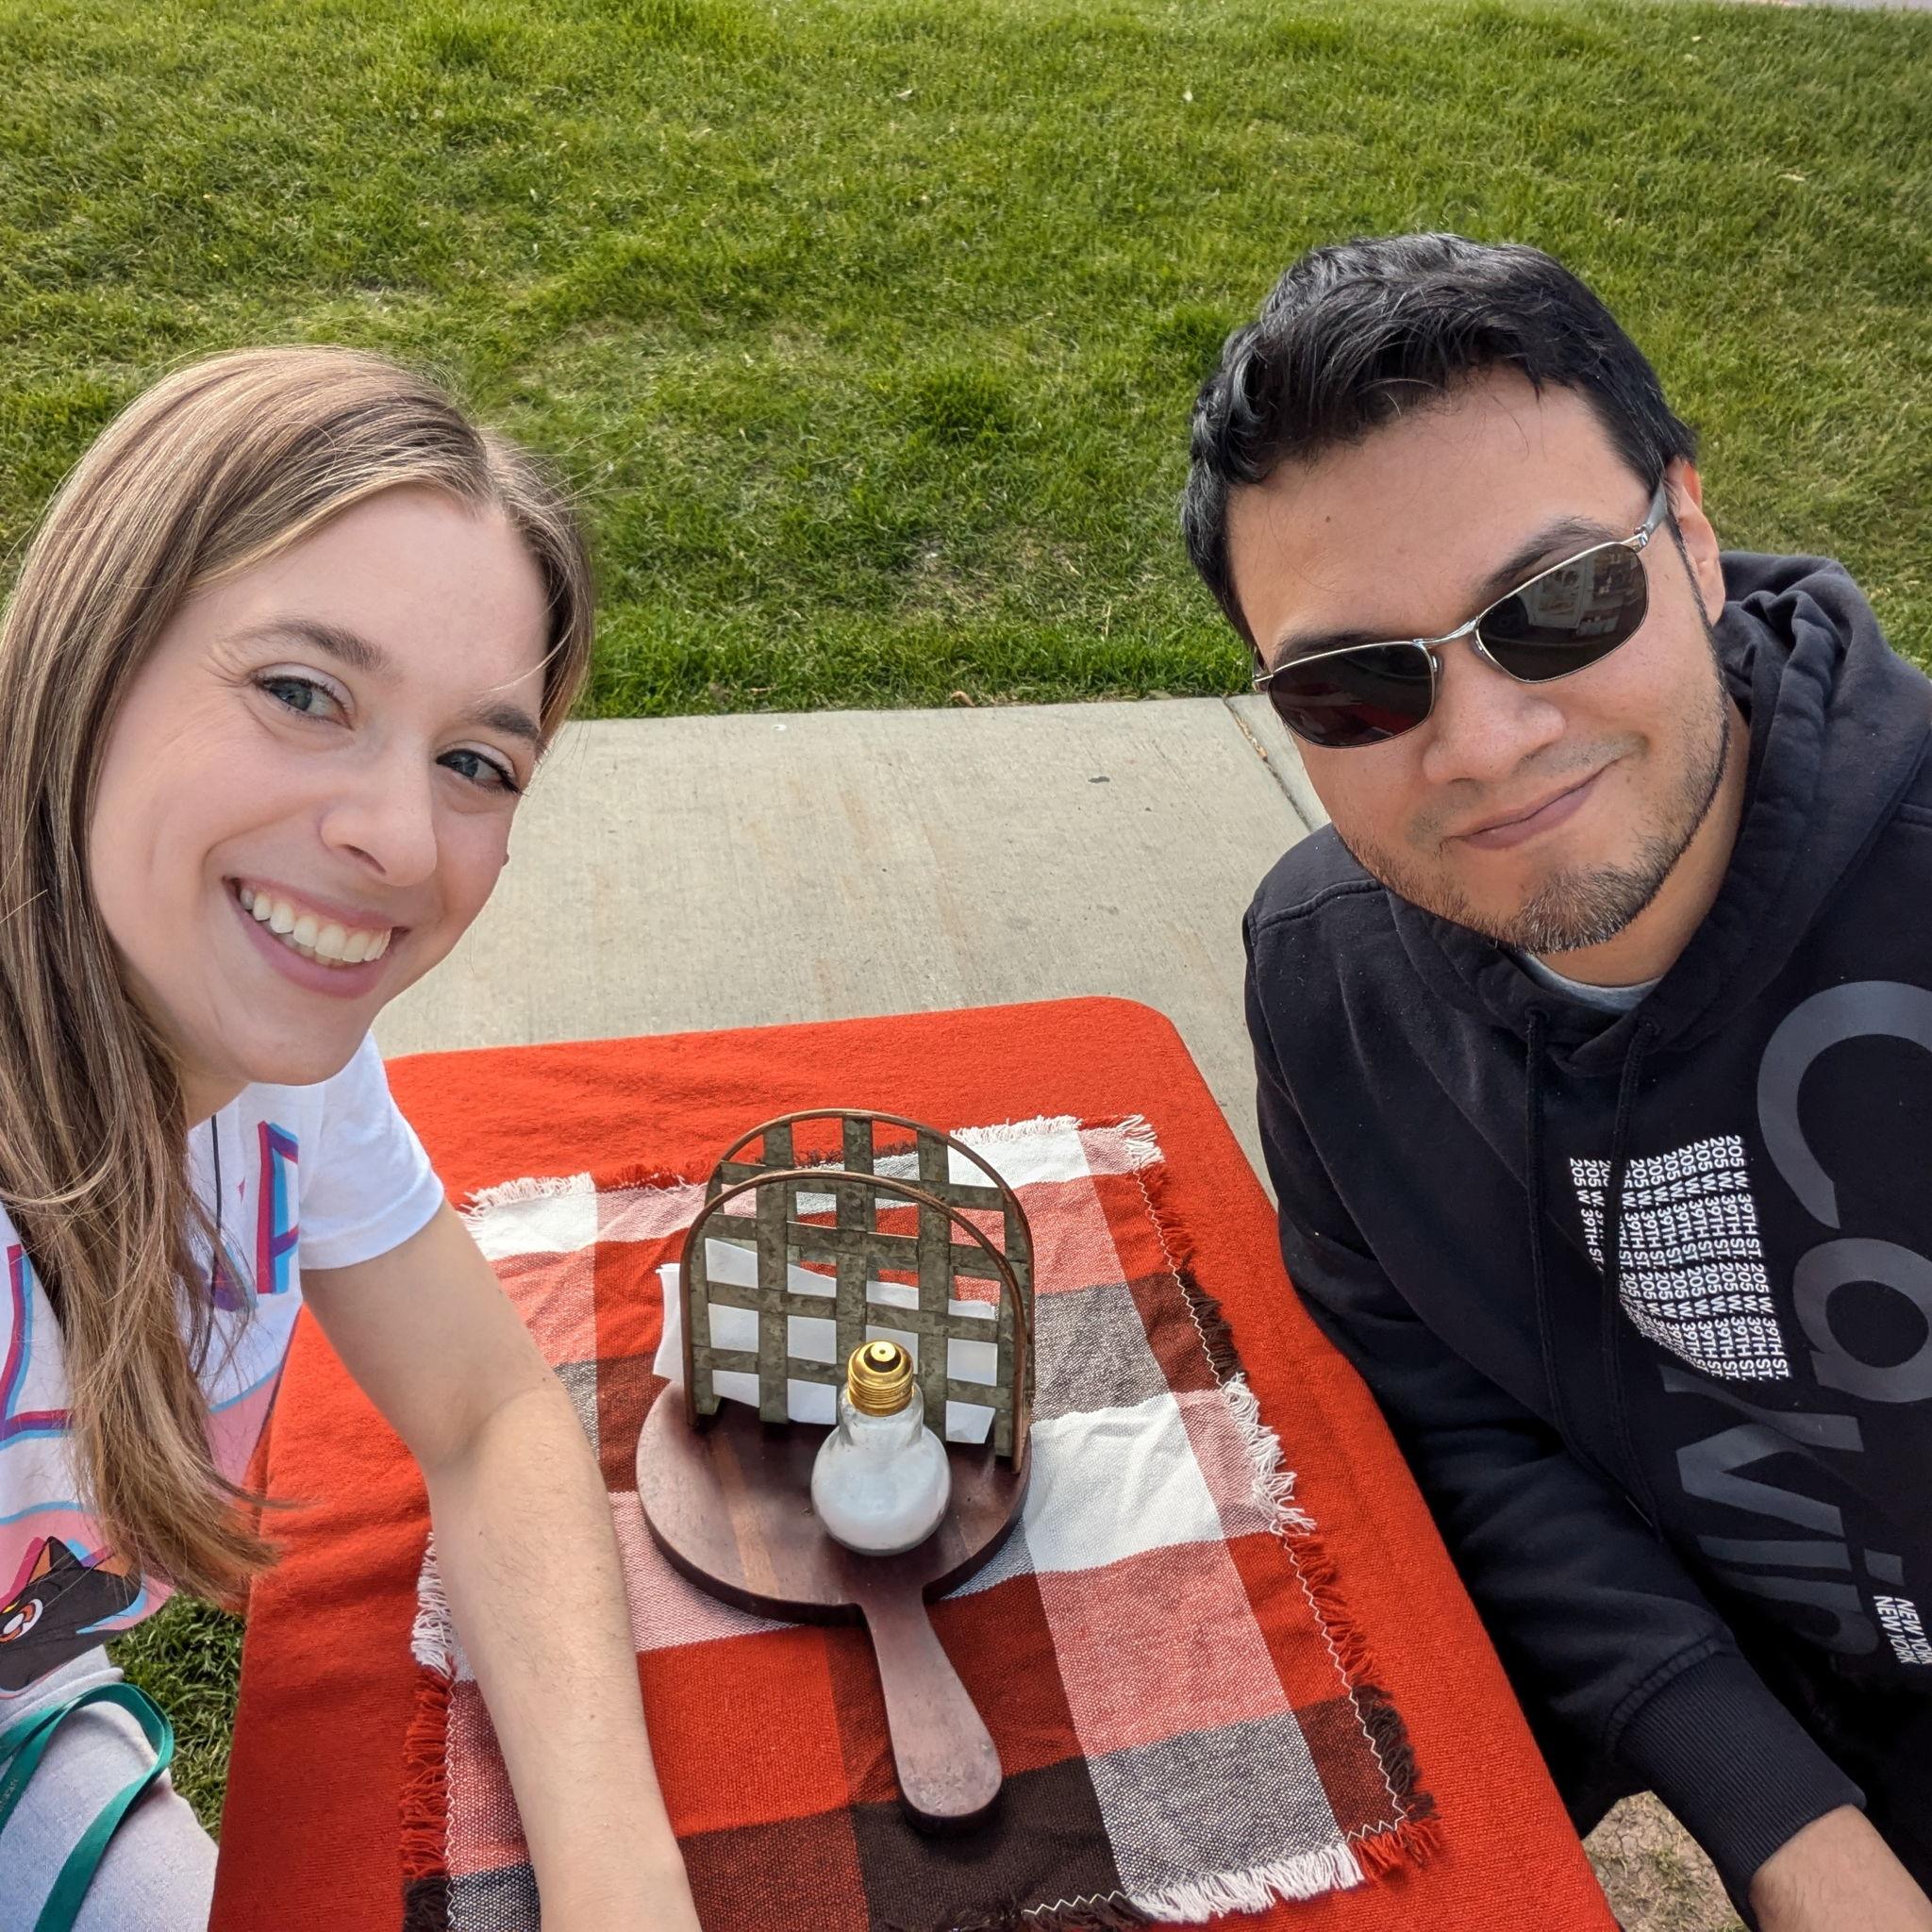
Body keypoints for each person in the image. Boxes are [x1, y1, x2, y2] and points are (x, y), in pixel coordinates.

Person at [1183, 234, 1932, 1931]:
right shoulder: (1330, 977)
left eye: (1556, 605)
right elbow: (1451, 1419)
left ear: (1695, 536)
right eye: (1355, 683)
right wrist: (1782, 1825)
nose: (1482, 743)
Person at [0, 348, 699, 1930]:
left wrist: (619, 1887)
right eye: (304, 693)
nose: (396, 836)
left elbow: (483, 1410)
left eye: (474, 762)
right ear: (88, 656)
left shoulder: (268, 1063)